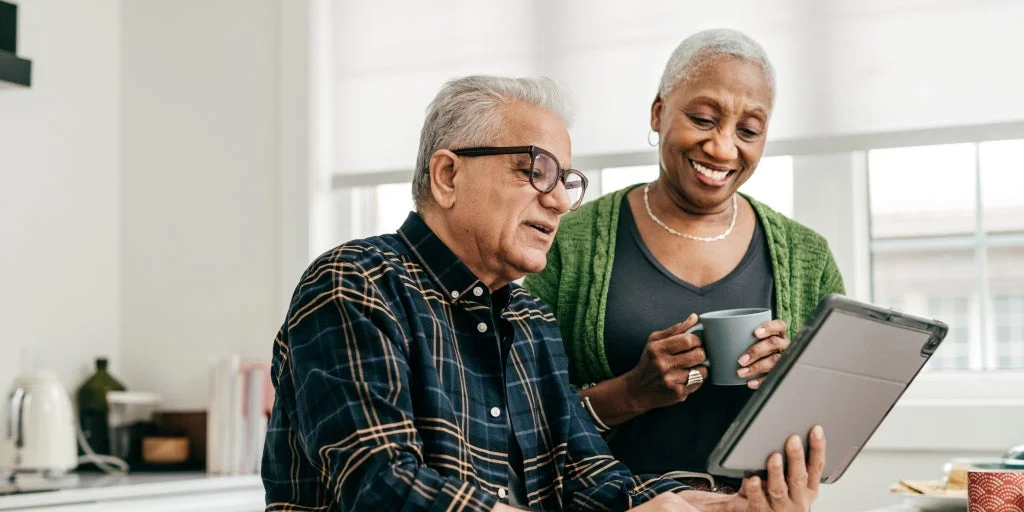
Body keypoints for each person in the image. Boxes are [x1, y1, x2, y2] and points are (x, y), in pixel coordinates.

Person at [262, 74, 826, 512]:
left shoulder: (530, 319)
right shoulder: (357, 283)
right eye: (537, 171)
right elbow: (381, 486)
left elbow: (589, 477)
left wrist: (718, 504)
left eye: (567, 182)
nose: (558, 201)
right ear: (448, 175)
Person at [523, 28, 846, 486]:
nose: (722, 147)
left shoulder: (808, 256)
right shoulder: (569, 243)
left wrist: (791, 388)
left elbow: (834, 432)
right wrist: (631, 392)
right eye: (703, 119)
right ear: (658, 113)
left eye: (749, 130)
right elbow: (521, 419)